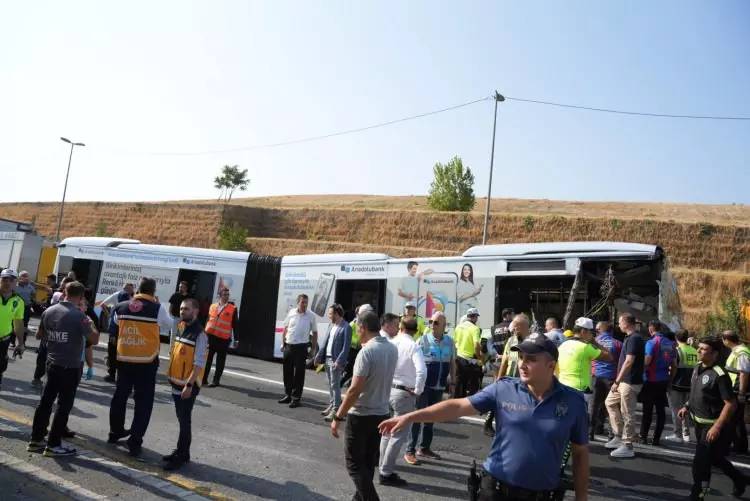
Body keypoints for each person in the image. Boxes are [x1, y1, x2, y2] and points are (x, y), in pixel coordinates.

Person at [379, 332, 590, 501]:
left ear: (551, 366)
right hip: (496, 490)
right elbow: (457, 406)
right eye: (522, 357)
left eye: (531, 359)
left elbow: (580, 454)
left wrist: (582, 497)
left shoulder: (573, 402)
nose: (523, 364)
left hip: (543, 494)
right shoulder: (504, 389)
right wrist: (411, 417)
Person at [329, 310, 398, 501]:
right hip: (382, 412)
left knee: (353, 463)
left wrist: (338, 417)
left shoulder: (366, 352)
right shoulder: (392, 349)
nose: (356, 332)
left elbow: (354, 390)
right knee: (367, 463)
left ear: (363, 327)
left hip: (360, 415)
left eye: (357, 328)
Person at [27, 281, 98, 457]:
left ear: (64, 293)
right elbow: (94, 339)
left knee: (45, 402)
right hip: (71, 366)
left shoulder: (49, 311)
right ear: (81, 297)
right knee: (63, 406)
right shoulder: (79, 316)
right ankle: (53, 444)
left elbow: (39, 335)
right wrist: (89, 321)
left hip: (52, 362)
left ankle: (36, 440)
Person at [108, 277, 173, 457]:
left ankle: (115, 433)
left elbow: (114, 324)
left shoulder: (121, 306)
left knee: (120, 397)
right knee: (143, 403)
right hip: (146, 362)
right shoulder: (157, 308)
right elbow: (168, 325)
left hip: (124, 359)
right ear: (153, 292)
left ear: (137, 289)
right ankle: (135, 442)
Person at [678, 336, 747, 500]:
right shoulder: (697, 367)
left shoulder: (719, 374)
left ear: (715, 354)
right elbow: (697, 393)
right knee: (715, 459)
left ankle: (698, 495)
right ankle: (740, 479)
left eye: (703, 349)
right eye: (699, 348)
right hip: (699, 426)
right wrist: (687, 406)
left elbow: (731, 404)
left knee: (700, 464)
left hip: (714, 427)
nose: (698, 351)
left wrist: (717, 427)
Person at [378, 317, 426, 486]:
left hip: (388, 389)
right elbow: (421, 371)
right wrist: (418, 391)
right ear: (415, 330)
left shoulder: (391, 342)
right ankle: (386, 472)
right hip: (404, 392)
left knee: (386, 431)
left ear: (401, 327)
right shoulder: (413, 346)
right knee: (398, 435)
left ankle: (382, 464)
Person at [163, 297, 208, 470]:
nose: (182, 311)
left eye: (186, 309)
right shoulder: (181, 327)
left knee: (184, 421)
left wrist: (189, 385)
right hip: (177, 382)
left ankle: (181, 456)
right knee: (181, 419)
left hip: (187, 386)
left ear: (195, 311)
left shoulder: (200, 334)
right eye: (181, 309)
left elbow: (199, 364)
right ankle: (183, 452)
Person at [405, 311, 455, 465]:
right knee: (417, 417)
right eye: (431, 322)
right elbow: (413, 363)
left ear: (444, 326)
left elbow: (452, 363)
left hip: (439, 386)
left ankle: (424, 448)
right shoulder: (423, 340)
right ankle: (410, 450)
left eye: (436, 323)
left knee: (431, 417)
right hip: (424, 386)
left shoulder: (449, 342)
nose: (432, 325)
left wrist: (453, 383)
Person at [605, 313, 646, 458]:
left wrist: (617, 380)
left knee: (627, 412)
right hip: (624, 381)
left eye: (620, 322)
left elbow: (629, 361)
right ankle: (618, 436)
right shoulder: (630, 338)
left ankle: (627, 445)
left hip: (629, 382)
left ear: (627, 323)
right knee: (609, 402)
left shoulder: (634, 338)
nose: (619, 324)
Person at [557, 317, 612, 407]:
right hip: (579, 391)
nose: (592, 335)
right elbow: (609, 356)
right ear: (583, 331)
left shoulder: (563, 345)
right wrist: (594, 342)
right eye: (591, 332)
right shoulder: (585, 347)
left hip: (561, 388)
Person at [32, 277, 75, 388]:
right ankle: (37, 378)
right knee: (43, 357)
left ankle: (52, 381)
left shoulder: (75, 301)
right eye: (64, 285)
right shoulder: (57, 295)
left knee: (55, 361)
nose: (64, 287)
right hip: (49, 331)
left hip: (62, 337)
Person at [640, 320, 677, 446]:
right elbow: (674, 365)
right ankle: (656, 439)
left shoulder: (651, 342)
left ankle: (643, 436)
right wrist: (670, 381)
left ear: (651, 329)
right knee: (661, 411)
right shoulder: (671, 344)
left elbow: (646, 362)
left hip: (650, 380)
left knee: (648, 410)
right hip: (663, 380)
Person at [313, 304, 351, 422]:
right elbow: (325, 342)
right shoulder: (331, 325)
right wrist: (318, 356)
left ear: (337, 314)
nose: (329, 316)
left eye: (330, 313)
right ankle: (332, 404)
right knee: (330, 384)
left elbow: (346, 347)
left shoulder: (346, 327)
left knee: (335, 385)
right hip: (327, 359)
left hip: (336, 361)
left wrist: (339, 361)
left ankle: (336, 409)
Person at [279, 294, 317, 408]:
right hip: (289, 346)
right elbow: (285, 328)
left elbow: (315, 333)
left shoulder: (311, 316)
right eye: (302, 302)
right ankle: (288, 395)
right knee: (287, 372)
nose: (304, 304)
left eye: (306, 302)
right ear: (298, 303)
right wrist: (283, 343)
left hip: (301, 347)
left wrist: (313, 349)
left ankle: (296, 399)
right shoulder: (291, 313)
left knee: (299, 374)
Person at [590, 321, 622, 440]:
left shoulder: (594, 342)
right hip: (612, 378)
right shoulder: (618, 343)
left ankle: (591, 432)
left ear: (600, 330)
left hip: (596, 376)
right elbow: (621, 361)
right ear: (611, 331)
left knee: (593, 405)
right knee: (612, 406)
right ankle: (611, 434)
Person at [665, 328, 698, 443]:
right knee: (686, 410)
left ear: (676, 338)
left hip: (677, 384)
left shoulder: (677, 350)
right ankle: (686, 434)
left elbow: (673, 368)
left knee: (676, 410)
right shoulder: (694, 350)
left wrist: (670, 381)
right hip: (690, 385)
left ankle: (677, 434)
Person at [202, 287, 238, 387]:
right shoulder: (213, 306)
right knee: (208, 360)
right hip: (211, 337)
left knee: (220, 361)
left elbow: (235, 324)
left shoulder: (233, 308)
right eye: (225, 295)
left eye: (228, 295)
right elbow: (208, 320)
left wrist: (236, 339)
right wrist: (204, 333)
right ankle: (203, 379)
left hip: (223, 339)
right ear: (220, 296)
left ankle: (216, 381)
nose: (227, 296)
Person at [722, 330, 750, 454]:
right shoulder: (738, 351)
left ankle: (735, 446)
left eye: (723, 339)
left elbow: (744, 373)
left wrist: (741, 393)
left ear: (727, 340)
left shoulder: (741, 352)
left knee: (733, 418)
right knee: (736, 419)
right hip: (733, 389)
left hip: (737, 390)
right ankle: (740, 446)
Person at [100, 283, 135, 383]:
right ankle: (115, 373)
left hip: (118, 327)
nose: (130, 292)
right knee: (116, 351)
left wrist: (109, 315)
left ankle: (113, 373)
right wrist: (110, 315)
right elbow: (103, 305)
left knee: (114, 351)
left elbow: (103, 305)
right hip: (120, 328)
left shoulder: (120, 299)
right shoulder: (126, 298)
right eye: (129, 290)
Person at [0, 269, 25, 390]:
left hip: (3, 340)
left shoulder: (19, 301)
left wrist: (20, 343)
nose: (7, 282)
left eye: (11, 280)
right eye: (4, 279)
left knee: (1, 367)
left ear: (16, 282)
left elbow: (18, 323)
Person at [452, 308, 483, 399]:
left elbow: (455, 342)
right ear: (475, 317)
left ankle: (455, 402)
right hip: (469, 360)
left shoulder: (458, 327)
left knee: (460, 382)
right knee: (473, 384)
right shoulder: (475, 328)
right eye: (477, 317)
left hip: (459, 358)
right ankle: (468, 404)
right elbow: (477, 344)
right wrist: (479, 357)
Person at [342, 304, 374, 388]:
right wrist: (358, 342)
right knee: (348, 371)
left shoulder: (368, 324)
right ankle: (337, 388)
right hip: (352, 350)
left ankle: (351, 386)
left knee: (359, 372)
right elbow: (346, 338)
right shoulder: (353, 324)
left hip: (361, 349)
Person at [13, 271, 36, 347]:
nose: (26, 278)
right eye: (24, 276)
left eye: (27, 276)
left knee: (24, 325)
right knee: (13, 324)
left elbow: (33, 294)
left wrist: (32, 301)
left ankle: (23, 342)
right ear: (19, 277)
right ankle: (12, 341)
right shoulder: (15, 286)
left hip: (26, 307)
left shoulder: (30, 286)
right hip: (15, 307)